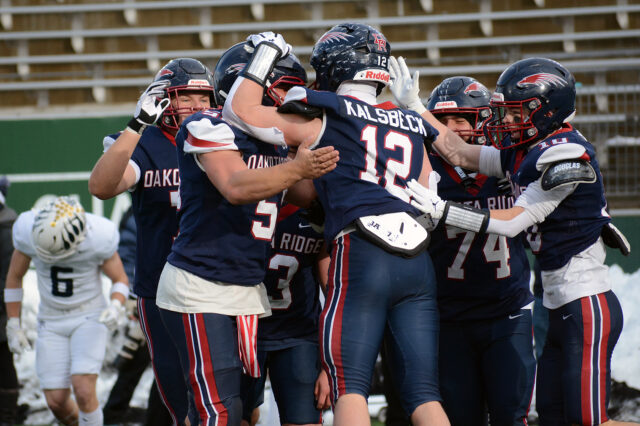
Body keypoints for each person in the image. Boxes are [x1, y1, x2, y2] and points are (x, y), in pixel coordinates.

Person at [224, 25, 450, 426]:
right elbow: (428, 191)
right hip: (417, 261)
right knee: (424, 395)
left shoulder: (327, 114)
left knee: (351, 388)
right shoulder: (410, 123)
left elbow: (239, 112)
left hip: (362, 255)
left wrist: (264, 53)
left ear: (333, 65)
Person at [391, 56, 635, 426]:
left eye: (515, 111)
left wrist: (444, 211)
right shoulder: (528, 150)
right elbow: (459, 151)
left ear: (545, 110)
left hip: (585, 300)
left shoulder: (564, 154)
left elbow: (512, 222)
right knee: (553, 418)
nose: (505, 120)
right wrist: (414, 107)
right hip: (559, 302)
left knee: (590, 422)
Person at [154, 41, 339, 426]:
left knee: (235, 411)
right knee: (217, 411)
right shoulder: (207, 125)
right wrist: (298, 166)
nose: (290, 101)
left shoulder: (274, 141)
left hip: (246, 290)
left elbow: (308, 196)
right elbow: (235, 186)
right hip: (200, 285)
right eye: (284, 90)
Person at [89, 57, 216, 425]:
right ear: (163, 98)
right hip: (160, 286)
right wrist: (136, 126)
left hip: (217, 282)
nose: (196, 106)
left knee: (226, 399)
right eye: (185, 97)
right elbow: (102, 187)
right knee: (181, 398)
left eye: (203, 98)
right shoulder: (145, 143)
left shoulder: (224, 137)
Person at [424, 76, 535, 425]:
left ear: (485, 120)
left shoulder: (513, 165)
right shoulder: (425, 170)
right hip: (450, 316)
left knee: (510, 415)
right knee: (460, 418)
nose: (450, 129)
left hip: (507, 311)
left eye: (460, 119)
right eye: (442, 121)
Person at [4, 196, 129, 426]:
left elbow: (120, 279)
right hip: (51, 318)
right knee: (56, 401)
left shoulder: (98, 237)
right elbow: (14, 277)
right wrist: (13, 323)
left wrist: (116, 305)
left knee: (83, 389)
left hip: (88, 315)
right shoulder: (27, 231)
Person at [240, 202, 331, 426]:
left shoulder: (320, 206)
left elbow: (335, 294)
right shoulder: (244, 197)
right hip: (242, 330)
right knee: (235, 417)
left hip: (298, 333)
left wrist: (330, 364)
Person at [103, 207, 172, 426]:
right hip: (150, 295)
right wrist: (133, 294)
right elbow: (128, 251)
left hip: (172, 294)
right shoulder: (145, 206)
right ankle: (113, 416)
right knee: (139, 359)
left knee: (166, 368)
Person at [0, 176, 21, 426]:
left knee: (4, 363)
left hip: (1, 312)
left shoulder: (6, 229)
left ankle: (8, 415)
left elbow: (9, 277)